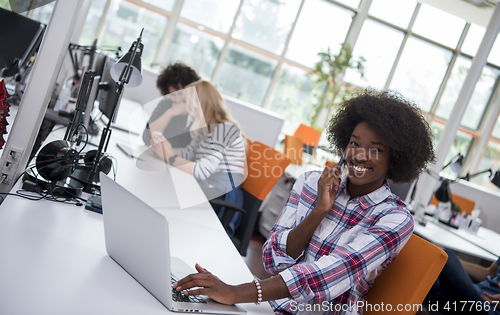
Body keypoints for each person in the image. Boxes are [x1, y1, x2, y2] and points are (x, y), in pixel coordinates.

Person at [171, 89, 436, 314]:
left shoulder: (396, 219)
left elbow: (327, 276)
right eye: (354, 144)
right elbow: (272, 259)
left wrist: (234, 293)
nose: (360, 156)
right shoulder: (312, 183)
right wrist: (320, 210)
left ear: (396, 158)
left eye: (376, 149)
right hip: (274, 305)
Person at [150, 80, 246, 236]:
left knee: (163, 194)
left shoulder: (224, 129)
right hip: (208, 189)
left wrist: (169, 156)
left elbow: (202, 170)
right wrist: (164, 148)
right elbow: (190, 153)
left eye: (187, 103)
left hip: (222, 198)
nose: (185, 108)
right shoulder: (206, 129)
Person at [423, 249, 500, 315]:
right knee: (422, 279)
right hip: (475, 292)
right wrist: (456, 264)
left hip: (487, 309)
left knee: (448, 256)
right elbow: (490, 273)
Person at [142, 62, 200, 147]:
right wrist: (169, 113)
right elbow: (146, 138)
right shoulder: (166, 104)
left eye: (181, 94)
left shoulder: (199, 112)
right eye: (173, 95)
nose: (177, 100)